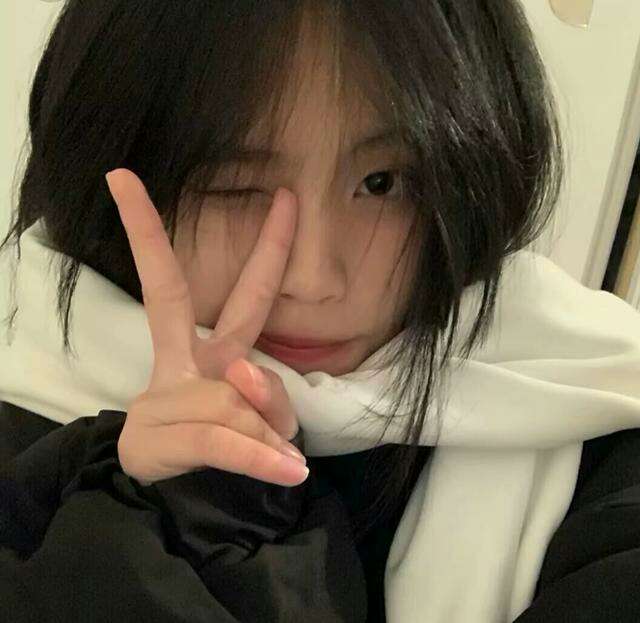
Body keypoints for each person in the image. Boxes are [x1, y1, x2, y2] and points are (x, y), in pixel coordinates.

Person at [1, 1, 640, 622]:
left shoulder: (591, 413)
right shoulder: (27, 398)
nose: (313, 282)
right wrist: (195, 515)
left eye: (383, 183)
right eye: (235, 187)